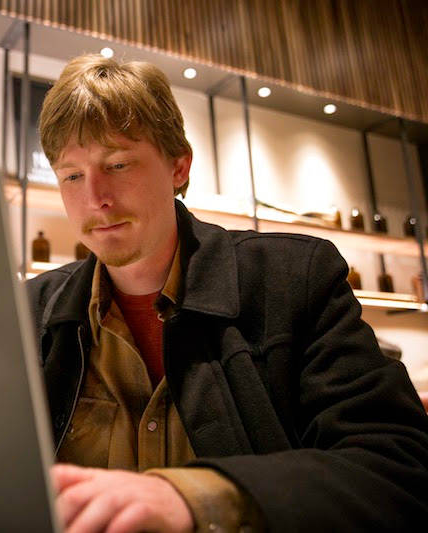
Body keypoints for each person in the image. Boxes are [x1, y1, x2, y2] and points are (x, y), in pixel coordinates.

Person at [27, 54, 428, 532]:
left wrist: (195, 497)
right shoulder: (31, 312)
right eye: (72, 175)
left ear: (179, 166)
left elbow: (397, 465)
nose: (96, 198)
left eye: (118, 163)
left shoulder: (293, 280)